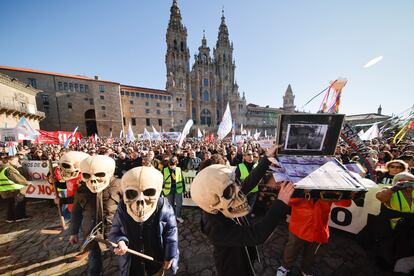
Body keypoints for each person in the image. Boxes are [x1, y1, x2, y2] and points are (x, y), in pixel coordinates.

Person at [191, 144, 294, 276]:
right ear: (213, 195)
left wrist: (266, 159)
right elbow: (257, 235)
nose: (237, 191)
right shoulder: (215, 226)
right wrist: (280, 203)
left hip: (243, 254)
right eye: (230, 189)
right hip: (233, 269)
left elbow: (247, 183)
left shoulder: (221, 199)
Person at [109, 166, 179, 276]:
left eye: (149, 192)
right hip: (132, 266)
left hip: (155, 264)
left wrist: (170, 256)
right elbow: (114, 233)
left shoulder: (163, 207)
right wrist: (120, 241)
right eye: (131, 193)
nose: (140, 201)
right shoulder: (122, 209)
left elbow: (171, 234)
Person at [69, 155, 122, 276]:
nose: (93, 181)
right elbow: (76, 212)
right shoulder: (82, 190)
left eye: (99, 175)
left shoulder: (120, 186)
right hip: (92, 234)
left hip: (115, 233)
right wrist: (73, 232)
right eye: (87, 176)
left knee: (121, 263)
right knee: (93, 264)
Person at [277, 196, 351, 276]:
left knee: (311, 252)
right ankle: (285, 267)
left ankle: (305, 269)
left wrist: (339, 192)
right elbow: (288, 201)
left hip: (318, 225)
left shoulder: (332, 184)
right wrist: (303, 194)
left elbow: (346, 203)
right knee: (292, 247)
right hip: (299, 223)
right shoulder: (298, 183)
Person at [375, 172, 414, 274]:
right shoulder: (390, 190)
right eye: (406, 182)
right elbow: (380, 197)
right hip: (393, 228)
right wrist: (394, 189)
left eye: (412, 182)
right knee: (389, 250)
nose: (410, 184)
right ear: (397, 182)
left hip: (410, 229)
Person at [0, 155, 30, 222]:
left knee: (11, 205)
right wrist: (26, 183)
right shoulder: (9, 169)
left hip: (5, 189)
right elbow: (17, 178)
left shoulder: (2, 168)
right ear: (9, 161)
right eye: (15, 161)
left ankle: (10, 218)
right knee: (19, 204)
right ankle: (20, 217)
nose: (17, 162)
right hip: (14, 189)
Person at [162, 157, 185, 223]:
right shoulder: (165, 169)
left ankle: (178, 216)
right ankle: (172, 217)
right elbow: (162, 180)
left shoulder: (178, 169)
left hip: (178, 188)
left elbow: (182, 179)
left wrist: (184, 188)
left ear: (176, 163)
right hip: (168, 189)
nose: (172, 166)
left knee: (179, 204)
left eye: (173, 165)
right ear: (168, 164)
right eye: (170, 165)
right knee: (170, 204)